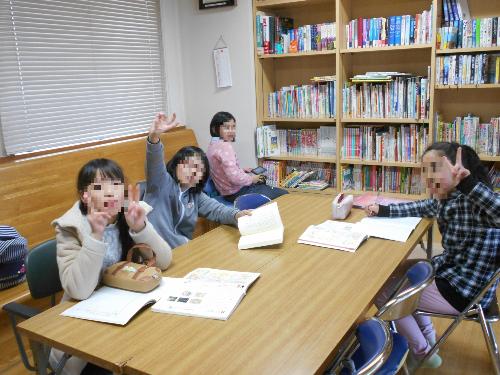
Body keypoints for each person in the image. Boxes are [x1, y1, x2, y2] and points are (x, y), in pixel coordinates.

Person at [366, 142, 500, 369]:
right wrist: (384, 210)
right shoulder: (446, 199)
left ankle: (424, 352)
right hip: (453, 275)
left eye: (435, 168)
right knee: (400, 270)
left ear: (457, 168)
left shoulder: (472, 202)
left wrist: (469, 184)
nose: (428, 177)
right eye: (424, 170)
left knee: (379, 291)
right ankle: (429, 335)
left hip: (464, 291)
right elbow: (420, 207)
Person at [50, 158, 172, 374]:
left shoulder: (129, 213)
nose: (110, 193)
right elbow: (79, 290)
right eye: (99, 187)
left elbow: (164, 260)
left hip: (127, 309)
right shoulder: (70, 227)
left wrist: (140, 227)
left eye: (115, 185)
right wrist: (96, 235)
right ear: (84, 196)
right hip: (86, 329)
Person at [144, 112, 251, 249]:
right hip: (154, 252)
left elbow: (217, 210)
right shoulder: (161, 183)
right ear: (176, 165)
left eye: (199, 169)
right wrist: (154, 137)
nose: (193, 172)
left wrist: (236, 214)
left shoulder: (195, 195)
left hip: (182, 249)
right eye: (188, 166)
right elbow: (154, 162)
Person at [206, 111, 288, 202]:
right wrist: (252, 179)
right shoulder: (225, 146)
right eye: (226, 127)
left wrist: (241, 170)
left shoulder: (211, 146)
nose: (231, 131)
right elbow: (234, 178)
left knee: (264, 185)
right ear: (215, 128)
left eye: (233, 127)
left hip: (227, 194)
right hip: (238, 193)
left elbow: (225, 172)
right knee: (284, 194)